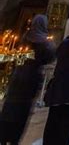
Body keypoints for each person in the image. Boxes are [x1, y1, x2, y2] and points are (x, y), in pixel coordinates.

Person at [0, 15, 56, 145]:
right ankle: (13, 139)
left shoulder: (25, 37)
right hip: (31, 79)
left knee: (10, 108)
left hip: (17, 76)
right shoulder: (44, 42)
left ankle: (3, 137)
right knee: (21, 112)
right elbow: (51, 56)